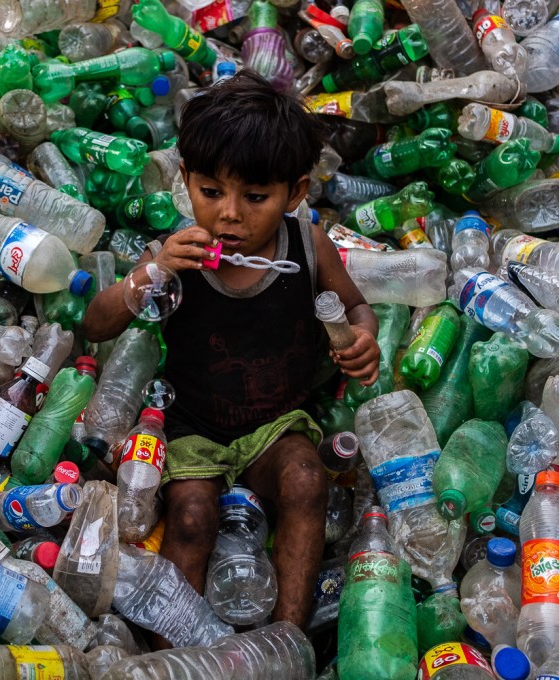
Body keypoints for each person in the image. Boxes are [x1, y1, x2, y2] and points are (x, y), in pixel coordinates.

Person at [84, 69, 380, 635]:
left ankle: (288, 639)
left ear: (296, 193)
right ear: (186, 180)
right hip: (193, 430)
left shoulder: (307, 246)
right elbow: (96, 325)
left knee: (306, 480)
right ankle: (169, 649)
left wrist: (361, 336)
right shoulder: (175, 257)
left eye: (257, 197)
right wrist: (150, 274)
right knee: (192, 518)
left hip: (277, 426)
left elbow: (356, 307)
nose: (230, 215)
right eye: (211, 192)